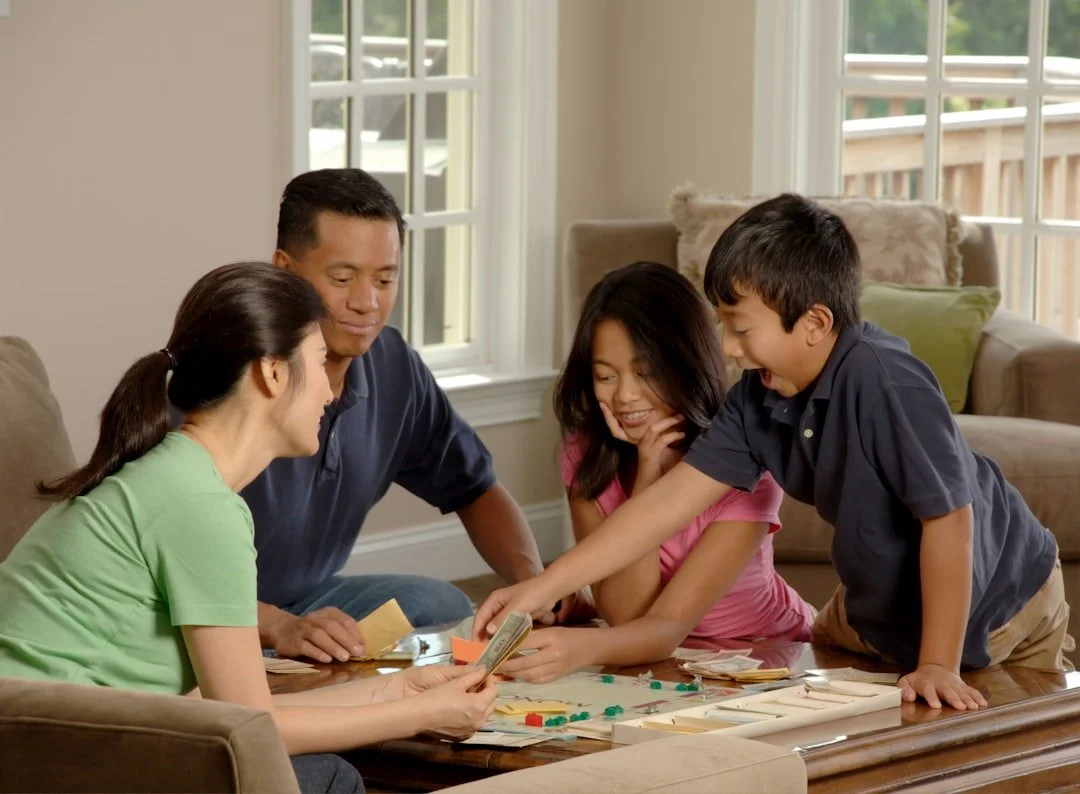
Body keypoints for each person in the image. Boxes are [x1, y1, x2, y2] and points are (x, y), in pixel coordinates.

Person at [475, 194, 1074, 711]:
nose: (729, 349)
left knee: (987, 743)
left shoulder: (888, 383)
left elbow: (949, 519)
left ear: (814, 323)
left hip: (998, 598)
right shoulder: (755, 401)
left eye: (741, 328)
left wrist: (939, 663)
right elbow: (661, 509)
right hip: (879, 606)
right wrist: (541, 587)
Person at [0, 262, 497, 794]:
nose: (331, 394)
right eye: (321, 362)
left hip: (50, 746)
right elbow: (250, 727)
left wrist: (403, 692)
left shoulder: (174, 475)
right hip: (46, 762)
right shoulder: (199, 505)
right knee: (326, 777)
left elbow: (227, 708)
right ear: (273, 372)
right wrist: (420, 716)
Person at [247, 168, 591, 665]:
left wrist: (532, 584)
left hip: (308, 601)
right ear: (284, 269)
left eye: (385, 279)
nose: (367, 303)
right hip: (209, 617)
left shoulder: (392, 365)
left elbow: (474, 487)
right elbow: (163, 569)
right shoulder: (233, 376)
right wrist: (277, 626)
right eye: (342, 279)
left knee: (439, 603)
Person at [499, 262, 814, 684]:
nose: (626, 396)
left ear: (686, 362)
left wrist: (578, 646)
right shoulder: (586, 454)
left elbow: (663, 626)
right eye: (605, 376)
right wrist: (647, 475)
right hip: (658, 662)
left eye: (646, 373)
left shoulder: (747, 462)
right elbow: (626, 614)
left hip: (766, 652)